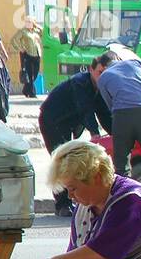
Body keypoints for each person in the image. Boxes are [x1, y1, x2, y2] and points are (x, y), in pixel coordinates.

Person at [39, 54, 115, 216]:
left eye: (107, 72)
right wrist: (95, 134)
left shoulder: (101, 87)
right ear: (91, 70)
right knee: (61, 161)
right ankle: (62, 204)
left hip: (69, 123)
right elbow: (85, 109)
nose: (103, 76)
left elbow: (104, 114)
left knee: (69, 161)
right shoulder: (80, 83)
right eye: (100, 72)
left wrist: (115, 134)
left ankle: (68, 201)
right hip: (52, 120)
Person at [95, 54, 141, 182]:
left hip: (121, 118)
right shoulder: (137, 64)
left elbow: (109, 103)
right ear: (118, 59)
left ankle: (126, 195)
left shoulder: (103, 78)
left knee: (121, 165)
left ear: (104, 66)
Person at [10, 16, 43, 98]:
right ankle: (32, 93)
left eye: (29, 22)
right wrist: (20, 48)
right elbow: (13, 40)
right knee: (29, 74)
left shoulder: (36, 31)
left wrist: (36, 25)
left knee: (35, 73)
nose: (27, 23)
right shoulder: (23, 31)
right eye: (26, 22)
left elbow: (43, 32)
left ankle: (25, 89)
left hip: (37, 54)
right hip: (27, 54)